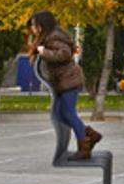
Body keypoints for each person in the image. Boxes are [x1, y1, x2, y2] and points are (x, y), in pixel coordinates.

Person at [30, 11, 102, 160]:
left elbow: (65, 53)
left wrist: (45, 52)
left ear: (42, 25)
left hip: (69, 80)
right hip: (65, 81)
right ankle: (89, 135)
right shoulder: (50, 36)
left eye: (34, 25)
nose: (32, 28)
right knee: (60, 114)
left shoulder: (53, 36)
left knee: (68, 113)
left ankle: (84, 147)